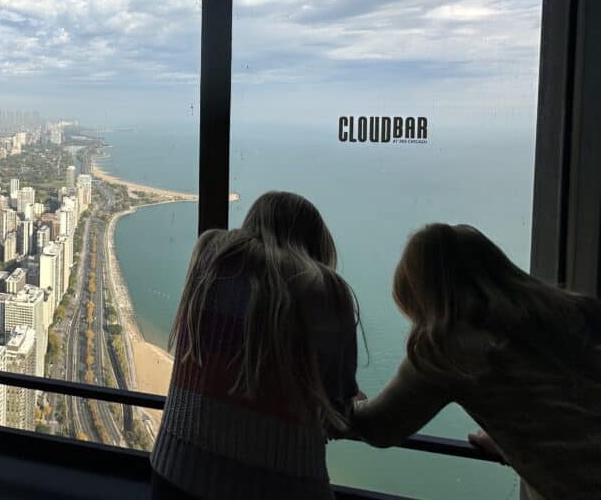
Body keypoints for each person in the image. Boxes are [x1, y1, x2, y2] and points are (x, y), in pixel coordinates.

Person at [348, 223, 601, 499]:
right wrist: (509, 436)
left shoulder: (448, 344)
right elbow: (566, 404)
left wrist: (346, 402)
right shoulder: (574, 311)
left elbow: (379, 428)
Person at [151, 191, 362, 499]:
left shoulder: (209, 254)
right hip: (281, 485)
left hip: (175, 472)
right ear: (316, 242)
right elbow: (338, 414)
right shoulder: (328, 290)